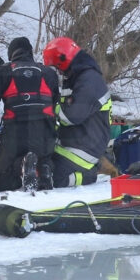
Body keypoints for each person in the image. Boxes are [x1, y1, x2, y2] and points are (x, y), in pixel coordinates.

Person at [0, 38, 59, 191]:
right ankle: (45, 167)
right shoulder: (49, 73)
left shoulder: (3, 72)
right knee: (44, 155)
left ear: (11, 54)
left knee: (2, 180)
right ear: (30, 52)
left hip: (15, 132)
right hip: (45, 133)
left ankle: (22, 164)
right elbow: (56, 104)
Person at [43, 37, 112, 187]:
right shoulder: (77, 77)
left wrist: (46, 108)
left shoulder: (89, 80)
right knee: (42, 168)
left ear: (62, 60)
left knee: (53, 179)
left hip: (84, 148)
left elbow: (71, 116)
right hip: (73, 142)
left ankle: (90, 175)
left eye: (57, 67)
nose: (58, 72)